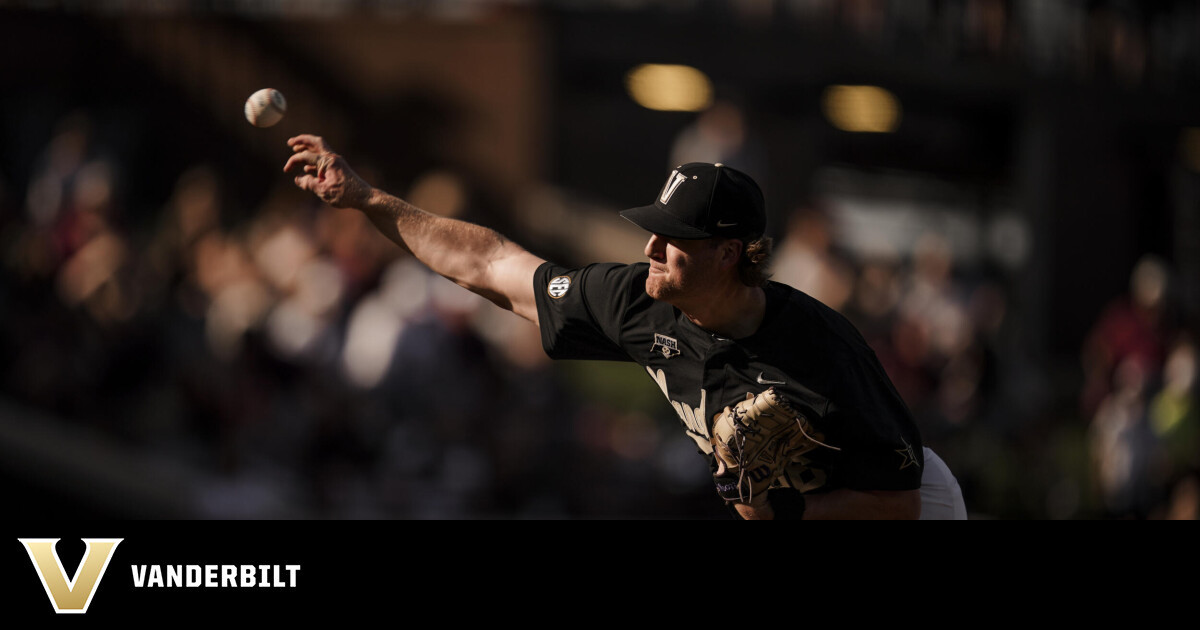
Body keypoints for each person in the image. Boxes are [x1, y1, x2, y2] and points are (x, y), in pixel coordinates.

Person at [284, 135, 968, 520]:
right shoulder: (640, 302)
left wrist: (777, 511)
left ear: (728, 253)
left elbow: (898, 501)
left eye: (672, 240)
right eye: (652, 233)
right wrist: (367, 199)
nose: (651, 249)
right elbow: (490, 264)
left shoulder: (820, 349)